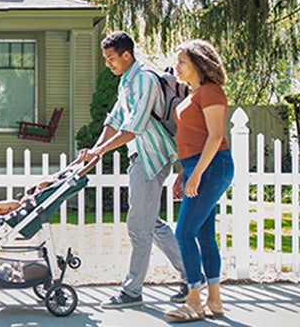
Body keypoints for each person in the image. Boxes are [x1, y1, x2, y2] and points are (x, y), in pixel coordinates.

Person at [78, 31, 187, 309]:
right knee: (150, 223)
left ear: (127, 55)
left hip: (152, 157)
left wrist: (99, 152)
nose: (108, 64)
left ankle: (132, 291)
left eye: (111, 58)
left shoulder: (144, 80)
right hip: (141, 156)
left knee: (139, 227)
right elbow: (114, 119)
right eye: (106, 59)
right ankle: (192, 275)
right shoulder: (126, 82)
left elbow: (132, 128)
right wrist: (94, 152)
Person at [165, 39, 235, 323]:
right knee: (204, 235)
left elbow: (216, 136)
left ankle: (194, 299)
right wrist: (185, 172)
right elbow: (194, 137)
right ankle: (214, 301)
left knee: (183, 233)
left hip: (212, 165)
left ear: (198, 64)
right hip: (197, 165)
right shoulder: (195, 94)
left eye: (182, 62)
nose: (177, 67)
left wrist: (196, 173)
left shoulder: (211, 92)